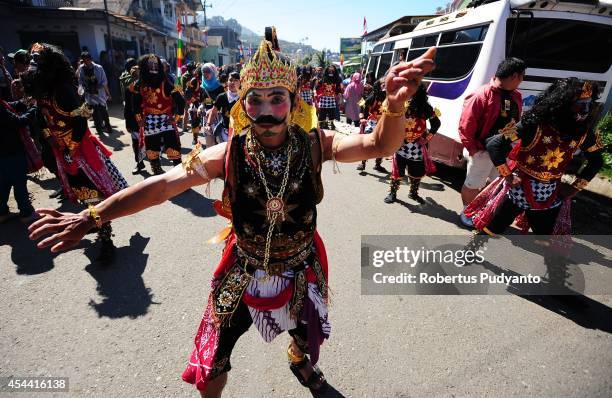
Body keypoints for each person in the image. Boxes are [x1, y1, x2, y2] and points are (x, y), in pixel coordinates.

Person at [28, 29, 436, 397]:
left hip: (301, 265)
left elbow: (378, 147)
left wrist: (394, 108)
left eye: (277, 98)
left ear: (293, 103)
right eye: (255, 99)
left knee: (307, 333)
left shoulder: (316, 144)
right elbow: (163, 186)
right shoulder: (228, 154)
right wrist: (94, 215)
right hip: (242, 269)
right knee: (213, 361)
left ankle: (299, 361)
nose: (266, 109)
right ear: (243, 104)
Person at [22, 43, 128, 261]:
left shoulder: (63, 91)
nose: (32, 70)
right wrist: (51, 139)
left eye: (37, 65)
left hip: (81, 151)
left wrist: (71, 149)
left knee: (94, 196)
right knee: (82, 194)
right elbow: (41, 119)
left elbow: (82, 122)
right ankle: (92, 225)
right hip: (61, 151)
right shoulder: (42, 91)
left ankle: (106, 240)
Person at [465, 78, 604, 237]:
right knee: (489, 230)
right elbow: (495, 144)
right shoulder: (533, 125)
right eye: (580, 104)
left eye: (588, 104)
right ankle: (469, 255)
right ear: (562, 105)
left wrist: (574, 188)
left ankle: (552, 262)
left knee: (546, 240)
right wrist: (507, 175)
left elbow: (597, 161)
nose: (585, 110)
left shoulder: (583, 133)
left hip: (549, 196)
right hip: (517, 192)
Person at [458, 57, 525, 227]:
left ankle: (485, 210)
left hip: (503, 151)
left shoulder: (516, 96)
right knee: (474, 183)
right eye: (522, 76)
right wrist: (473, 150)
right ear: (515, 76)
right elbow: (466, 125)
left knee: (496, 183)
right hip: (481, 151)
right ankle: (468, 211)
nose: (522, 81)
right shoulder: (481, 94)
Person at [384, 83, 441, 204]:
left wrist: (427, 138)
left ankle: (413, 193)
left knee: (417, 172)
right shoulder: (402, 104)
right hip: (401, 144)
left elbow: (436, 123)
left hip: (418, 147)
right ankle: (392, 193)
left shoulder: (426, 108)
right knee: (397, 170)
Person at [131, 54, 185, 175]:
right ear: (145, 66)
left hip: (166, 119)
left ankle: (180, 174)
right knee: (152, 148)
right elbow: (135, 104)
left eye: (156, 65)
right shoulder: (139, 84)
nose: (154, 67)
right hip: (149, 119)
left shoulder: (165, 82)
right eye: (151, 65)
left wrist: (176, 118)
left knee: (173, 147)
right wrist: (139, 119)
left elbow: (180, 101)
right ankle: (157, 172)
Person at [0, 95, 40, 223]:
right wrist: (34, 108)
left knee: (3, 183)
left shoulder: (2, 105)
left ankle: (1, 212)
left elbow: (9, 105)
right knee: (19, 181)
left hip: (3, 153)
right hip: (11, 151)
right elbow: (19, 121)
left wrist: (21, 102)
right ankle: (26, 212)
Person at [77, 51, 113, 135]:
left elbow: (104, 81)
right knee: (94, 113)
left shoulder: (98, 68)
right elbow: (80, 80)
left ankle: (108, 127)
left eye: (87, 60)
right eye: (84, 60)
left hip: (100, 93)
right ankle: (99, 130)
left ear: (90, 59)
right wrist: (82, 88)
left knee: (103, 111)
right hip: (89, 94)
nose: (86, 62)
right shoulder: (81, 68)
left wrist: (108, 94)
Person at [120, 60, 146, 174]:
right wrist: (127, 122)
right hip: (134, 120)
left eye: (138, 74)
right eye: (133, 74)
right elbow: (127, 107)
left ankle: (155, 164)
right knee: (136, 142)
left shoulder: (146, 87)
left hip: (147, 118)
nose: (136, 77)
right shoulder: (128, 89)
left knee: (150, 142)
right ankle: (139, 163)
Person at [356, 79, 387, 173]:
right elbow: (362, 105)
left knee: (382, 144)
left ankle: (378, 164)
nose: (385, 86)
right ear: (379, 85)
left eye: (386, 84)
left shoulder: (390, 97)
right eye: (383, 84)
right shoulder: (373, 96)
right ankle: (363, 163)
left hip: (384, 123)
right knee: (368, 143)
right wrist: (361, 118)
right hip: (372, 122)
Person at [206, 71, 239, 143]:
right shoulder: (222, 97)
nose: (233, 82)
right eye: (230, 80)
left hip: (241, 133)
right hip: (225, 132)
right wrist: (208, 124)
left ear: (240, 83)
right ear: (227, 82)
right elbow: (214, 111)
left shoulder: (244, 97)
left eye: (236, 80)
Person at [199, 63, 225, 148]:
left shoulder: (220, 87)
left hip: (218, 117)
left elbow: (223, 105)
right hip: (207, 118)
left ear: (213, 72)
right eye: (203, 71)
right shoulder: (202, 87)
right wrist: (201, 107)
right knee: (209, 141)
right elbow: (203, 101)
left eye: (208, 71)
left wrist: (214, 110)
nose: (205, 74)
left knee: (220, 140)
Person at [315, 64, 341, 130]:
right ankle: (322, 124)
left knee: (331, 112)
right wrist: (318, 93)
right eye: (329, 70)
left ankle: (332, 124)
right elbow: (317, 87)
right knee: (322, 112)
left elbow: (338, 88)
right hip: (323, 98)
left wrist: (338, 94)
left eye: (332, 71)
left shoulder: (336, 79)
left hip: (332, 98)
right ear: (327, 71)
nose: (331, 72)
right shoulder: (323, 78)